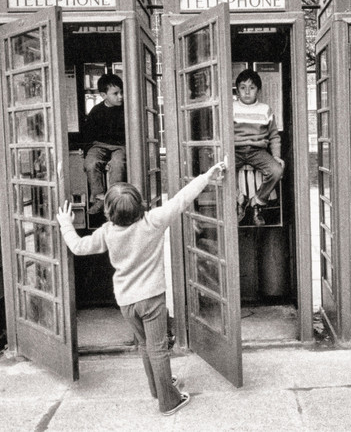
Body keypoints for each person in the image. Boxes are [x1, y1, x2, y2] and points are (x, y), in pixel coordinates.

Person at [56, 160, 227, 415]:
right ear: (139, 205)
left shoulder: (106, 232)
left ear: (108, 211)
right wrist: (207, 176)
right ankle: (169, 401)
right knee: (158, 348)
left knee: (146, 345)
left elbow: (78, 247)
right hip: (152, 299)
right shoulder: (152, 221)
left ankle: (158, 388)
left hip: (126, 301)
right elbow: (181, 199)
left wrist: (65, 224)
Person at [233, 69, 284, 226]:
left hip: (258, 151)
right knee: (221, 171)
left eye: (252, 88)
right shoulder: (230, 108)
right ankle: (238, 199)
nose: (247, 92)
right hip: (236, 150)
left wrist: (276, 156)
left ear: (258, 90)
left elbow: (274, 135)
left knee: (276, 171)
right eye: (243, 88)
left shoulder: (265, 109)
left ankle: (258, 201)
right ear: (237, 90)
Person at [82, 73, 126, 215]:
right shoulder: (96, 111)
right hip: (99, 145)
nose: (121, 96)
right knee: (91, 163)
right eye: (116, 93)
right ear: (103, 95)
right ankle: (99, 199)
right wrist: (87, 149)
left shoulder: (127, 109)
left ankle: (115, 201)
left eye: (122, 92)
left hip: (120, 145)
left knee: (118, 165)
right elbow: (88, 133)